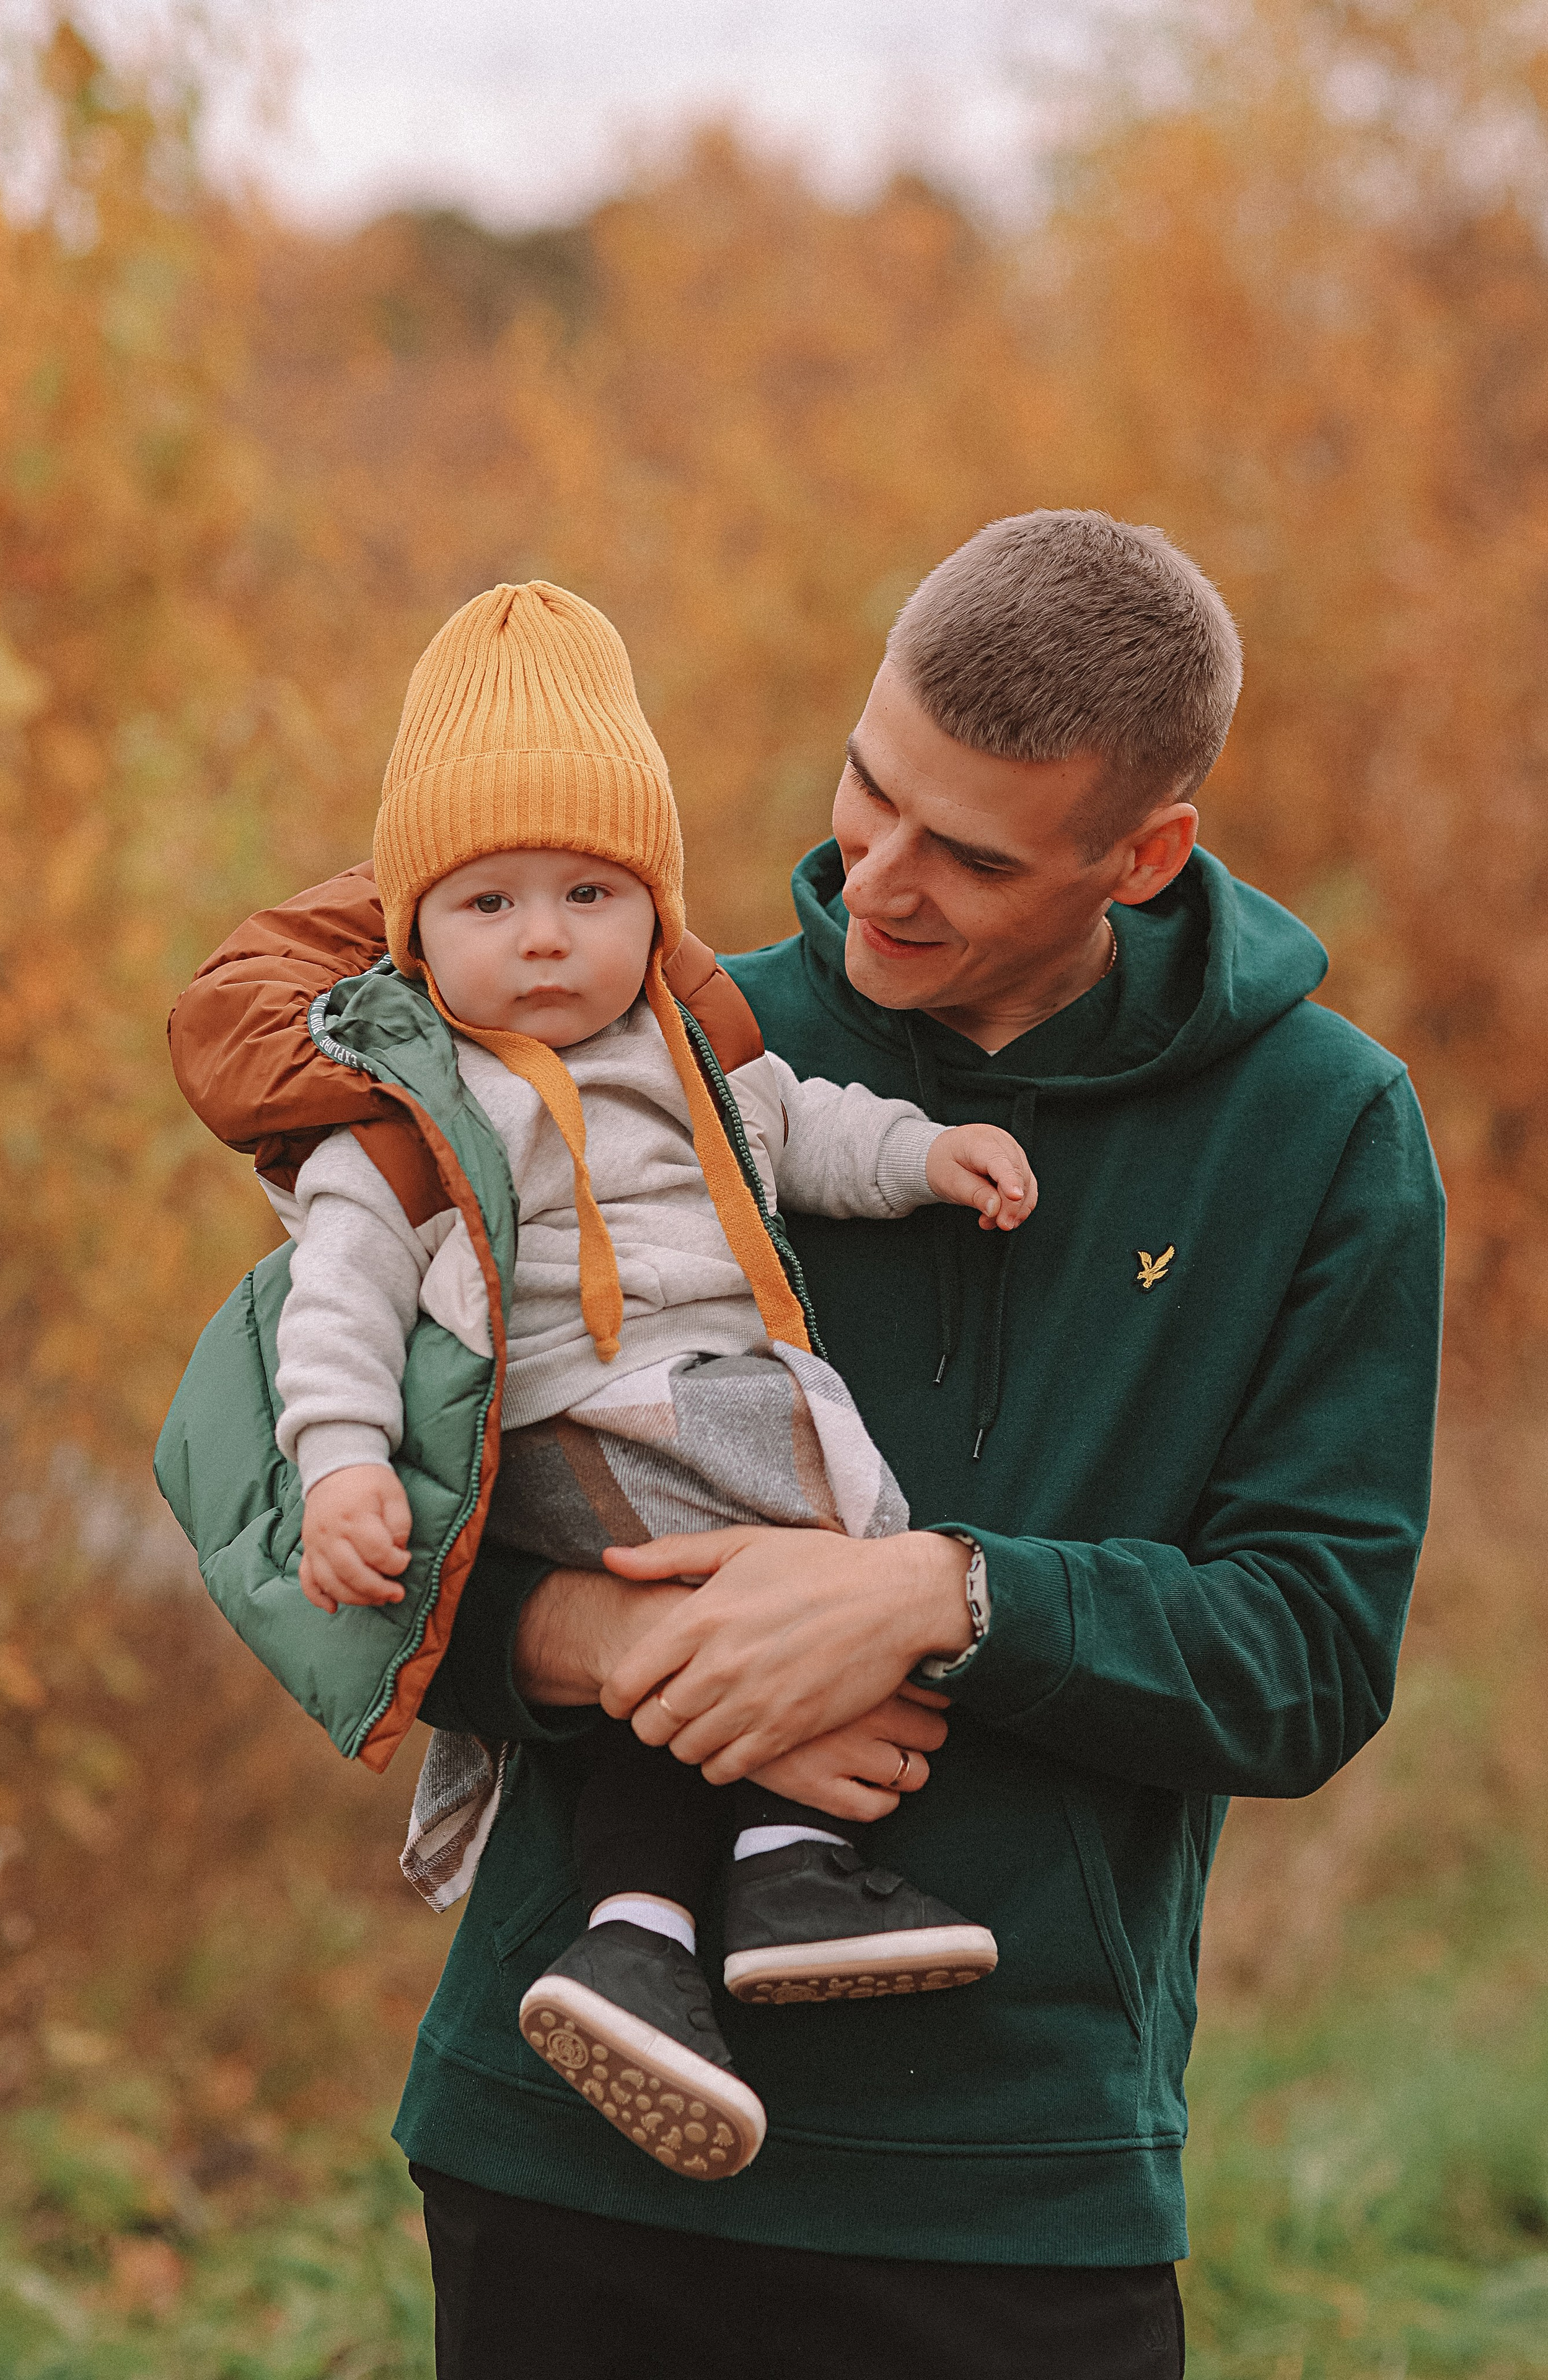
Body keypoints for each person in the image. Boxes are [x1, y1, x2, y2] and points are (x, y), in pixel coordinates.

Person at [162, 511, 1444, 2380]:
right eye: (868, 793)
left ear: (1143, 855)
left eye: (971, 854)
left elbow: (1312, 1657)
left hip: (1014, 2193)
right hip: (562, 2163)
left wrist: (934, 1598)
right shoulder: (643, 1033)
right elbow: (294, 1505)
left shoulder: (1318, 1131)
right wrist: (595, 1645)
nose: (880, 881)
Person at [272, 580, 1025, 2177]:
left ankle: (663, 1931)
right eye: (490, 904)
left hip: (697, 1391)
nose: (545, 937)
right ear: (417, 927)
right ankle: (778, 1868)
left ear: (654, 912)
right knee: (817, 1561)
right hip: (586, 1410)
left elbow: (808, 1128)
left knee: (785, 1579)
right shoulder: (414, 1110)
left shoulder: (686, 1052)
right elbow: (333, 1302)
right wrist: (340, 1459)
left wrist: (924, 1151)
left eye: (590, 894)